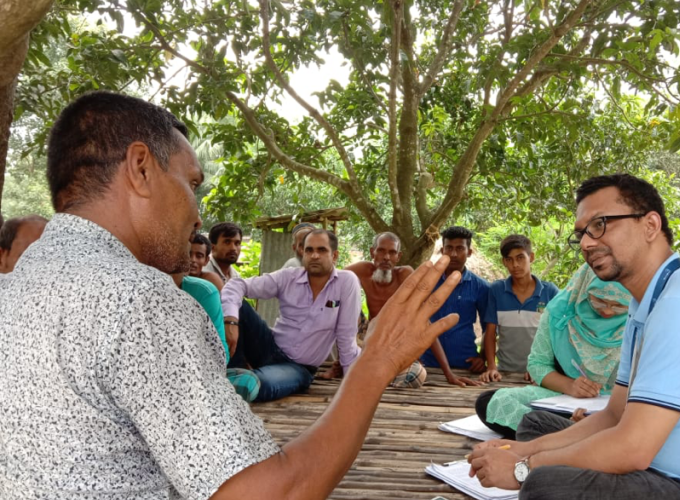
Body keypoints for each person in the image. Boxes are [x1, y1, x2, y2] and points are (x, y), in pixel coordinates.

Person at [0, 91, 462, 499]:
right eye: (192, 184)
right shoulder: (138, 300)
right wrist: (378, 360)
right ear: (140, 168)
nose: (198, 216)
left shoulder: (13, 288)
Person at [469, 174, 680, 500]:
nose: (586, 243)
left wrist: (521, 468)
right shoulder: (646, 306)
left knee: (545, 485)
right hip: (663, 464)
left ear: (650, 225)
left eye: (600, 225)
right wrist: (524, 449)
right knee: (537, 427)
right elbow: (615, 414)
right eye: (581, 233)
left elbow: (633, 448)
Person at [474, 263, 630, 439]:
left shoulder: (644, 320)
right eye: (598, 301)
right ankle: (578, 434)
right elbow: (538, 364)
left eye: (619, 306)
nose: (608, 311)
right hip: (566, 400)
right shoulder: (559, 312)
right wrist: (570, 386)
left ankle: (569, 435)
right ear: (584, 288)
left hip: (622, 407)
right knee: (491, 401)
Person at [221, 228, 362, 402]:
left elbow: (346, 336)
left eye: (322, 250)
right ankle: (233, 371)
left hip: (298, 367)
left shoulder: (346, 282)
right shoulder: (288, 277)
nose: (315, 255)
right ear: (302, 253)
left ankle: (233, 381)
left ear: (334, 255)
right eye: (309, 250)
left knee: (260, 384)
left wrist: (352, 384)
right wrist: (231, 321)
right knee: (237, 306)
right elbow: (236, 285)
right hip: (268, 347)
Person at [346, 232, 426, 388]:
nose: (386, 257)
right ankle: (349, 361)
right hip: (365, 339)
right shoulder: (362, 270)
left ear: (399, 256)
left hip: (395, 341)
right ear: (372, 252)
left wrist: (447, 373)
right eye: (381, 251)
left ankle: (374, 373)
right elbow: (333, 282)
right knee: (342, 305)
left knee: (416, 376)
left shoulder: (405, 275)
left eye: (392, 252)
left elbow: (422, 318)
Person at [479, 234, 559, 384]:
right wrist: (491, 366)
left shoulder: (550, 292)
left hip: (539, 374)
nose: (515, 264)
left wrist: (544, 368)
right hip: (504, 373)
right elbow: (490, 332)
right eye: (509, 259)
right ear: (504, 262)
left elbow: (558, 335)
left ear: (531, 257)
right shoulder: (497, 290)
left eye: (520, 257)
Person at [171, 270, 261, 402]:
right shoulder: (137, 287)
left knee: (248, 381)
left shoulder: (203, 291)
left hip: (197, 374)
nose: (193, 260)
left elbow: (220, 356)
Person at [419, 226, 489, 387]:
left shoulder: (481, 287)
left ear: (469, 252)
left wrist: (482, 357)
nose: (454, 254)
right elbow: (415, 321)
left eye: (460, 248)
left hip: (466, 366)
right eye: (449, 248)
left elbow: (489, 327)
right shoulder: (427, 282)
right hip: (427, 366)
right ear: (442, 250)